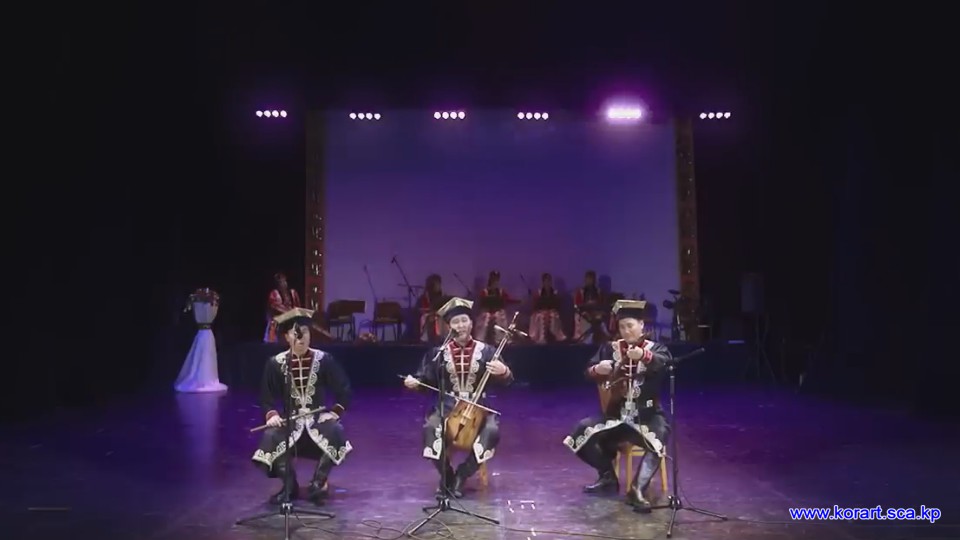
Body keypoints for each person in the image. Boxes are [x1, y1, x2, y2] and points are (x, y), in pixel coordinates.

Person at [561, 300, 671, 511]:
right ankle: (607, 476)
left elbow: (664, 362)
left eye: (630, 326)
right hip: (617, 416)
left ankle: (637, 489)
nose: (626, 331)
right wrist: (598, 369)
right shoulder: (610, 348)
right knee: (579, 432)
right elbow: (588, 372)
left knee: (659, 439)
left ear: (641, 325)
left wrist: (644, 356)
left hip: (648, 415)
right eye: (622, 327)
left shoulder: (656, 348)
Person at [403, 297, 514, 498]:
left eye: (464, 321)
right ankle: (447, 475)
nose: (460, 325)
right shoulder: (438, 353)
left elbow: (508, 380)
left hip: (480, 407)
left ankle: (463, 474)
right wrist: (414, 382)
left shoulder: (487, 351)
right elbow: (424, 379)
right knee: (430, 429)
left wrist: (503, 371)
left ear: (471, 324)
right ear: (449, 327)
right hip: (447, 407)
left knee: (492, 431)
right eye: (455, 322)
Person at [252, 308, 353, 505]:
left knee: (335, 430)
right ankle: (290, 485)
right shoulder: (275, 363)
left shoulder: (324, 360)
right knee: (271, 436)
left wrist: (335, 412)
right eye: (296, 333)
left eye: (305, 332)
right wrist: (272, 415)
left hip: (317, 420)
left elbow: (344, 389)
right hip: (291, 422)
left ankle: (318, 482)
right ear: (287, 337)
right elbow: (266, 397)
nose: (302, 338)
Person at [528, 272, 568, 343]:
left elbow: (558, 305)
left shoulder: (555, 293)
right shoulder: (539, 293)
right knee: (541, 317)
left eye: (549, 281)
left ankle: (555, 336)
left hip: (552, 312)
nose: (547, 283)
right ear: (543, 282)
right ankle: (541, 337)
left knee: (554, 316)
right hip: (541, 312)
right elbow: (535, 306)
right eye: (546, 281)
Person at [474, 271, 513, 341]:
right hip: (487, 312)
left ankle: (501, 339)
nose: (495, 282)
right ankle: (480, 339)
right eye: (493, 279)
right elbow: (481, 303)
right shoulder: (485, 291)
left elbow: (508, 299)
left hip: (497, 312)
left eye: (496, 280)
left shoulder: (501, 291)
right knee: (484, 317)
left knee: (501, 315)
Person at [263, 272, 302, 342]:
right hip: (278, 320)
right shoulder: (274, 294)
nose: (283, 283)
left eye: (284, 281)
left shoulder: (293, 293)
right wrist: (290, 313)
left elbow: (297, 306)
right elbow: (275, 307)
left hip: (292, 320)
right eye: (280, 282)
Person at [573, 270, 606, 342]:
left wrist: (595, 304)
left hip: (596, 311)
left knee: (600, 317)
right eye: (588, 279)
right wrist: (587, 304)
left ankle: (600, 336)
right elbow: (576, 305)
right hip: (583, 311)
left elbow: (602, 304)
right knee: (584, 316)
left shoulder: (599, 291)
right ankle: (586, 338)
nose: (590, 281)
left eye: (591, 279)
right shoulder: (580, 291)